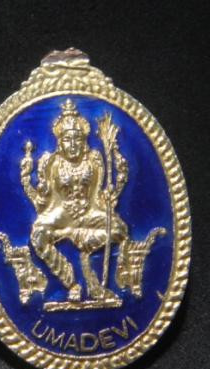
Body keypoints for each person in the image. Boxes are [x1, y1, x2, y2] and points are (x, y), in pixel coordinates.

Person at [20, 99, 128, 301]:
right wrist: (27, 179)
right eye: (67, 139)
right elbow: (44, 196)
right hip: (61, 213)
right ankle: (71, 282)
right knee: (38, 236)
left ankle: (86, 256)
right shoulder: (51, 162)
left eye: (77, 139)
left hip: (89, 212)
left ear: (83, 140)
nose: (72, 145)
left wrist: (108, 196)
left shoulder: (94, 159)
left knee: (119, 229)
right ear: (60, 141)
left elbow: (99, 193)